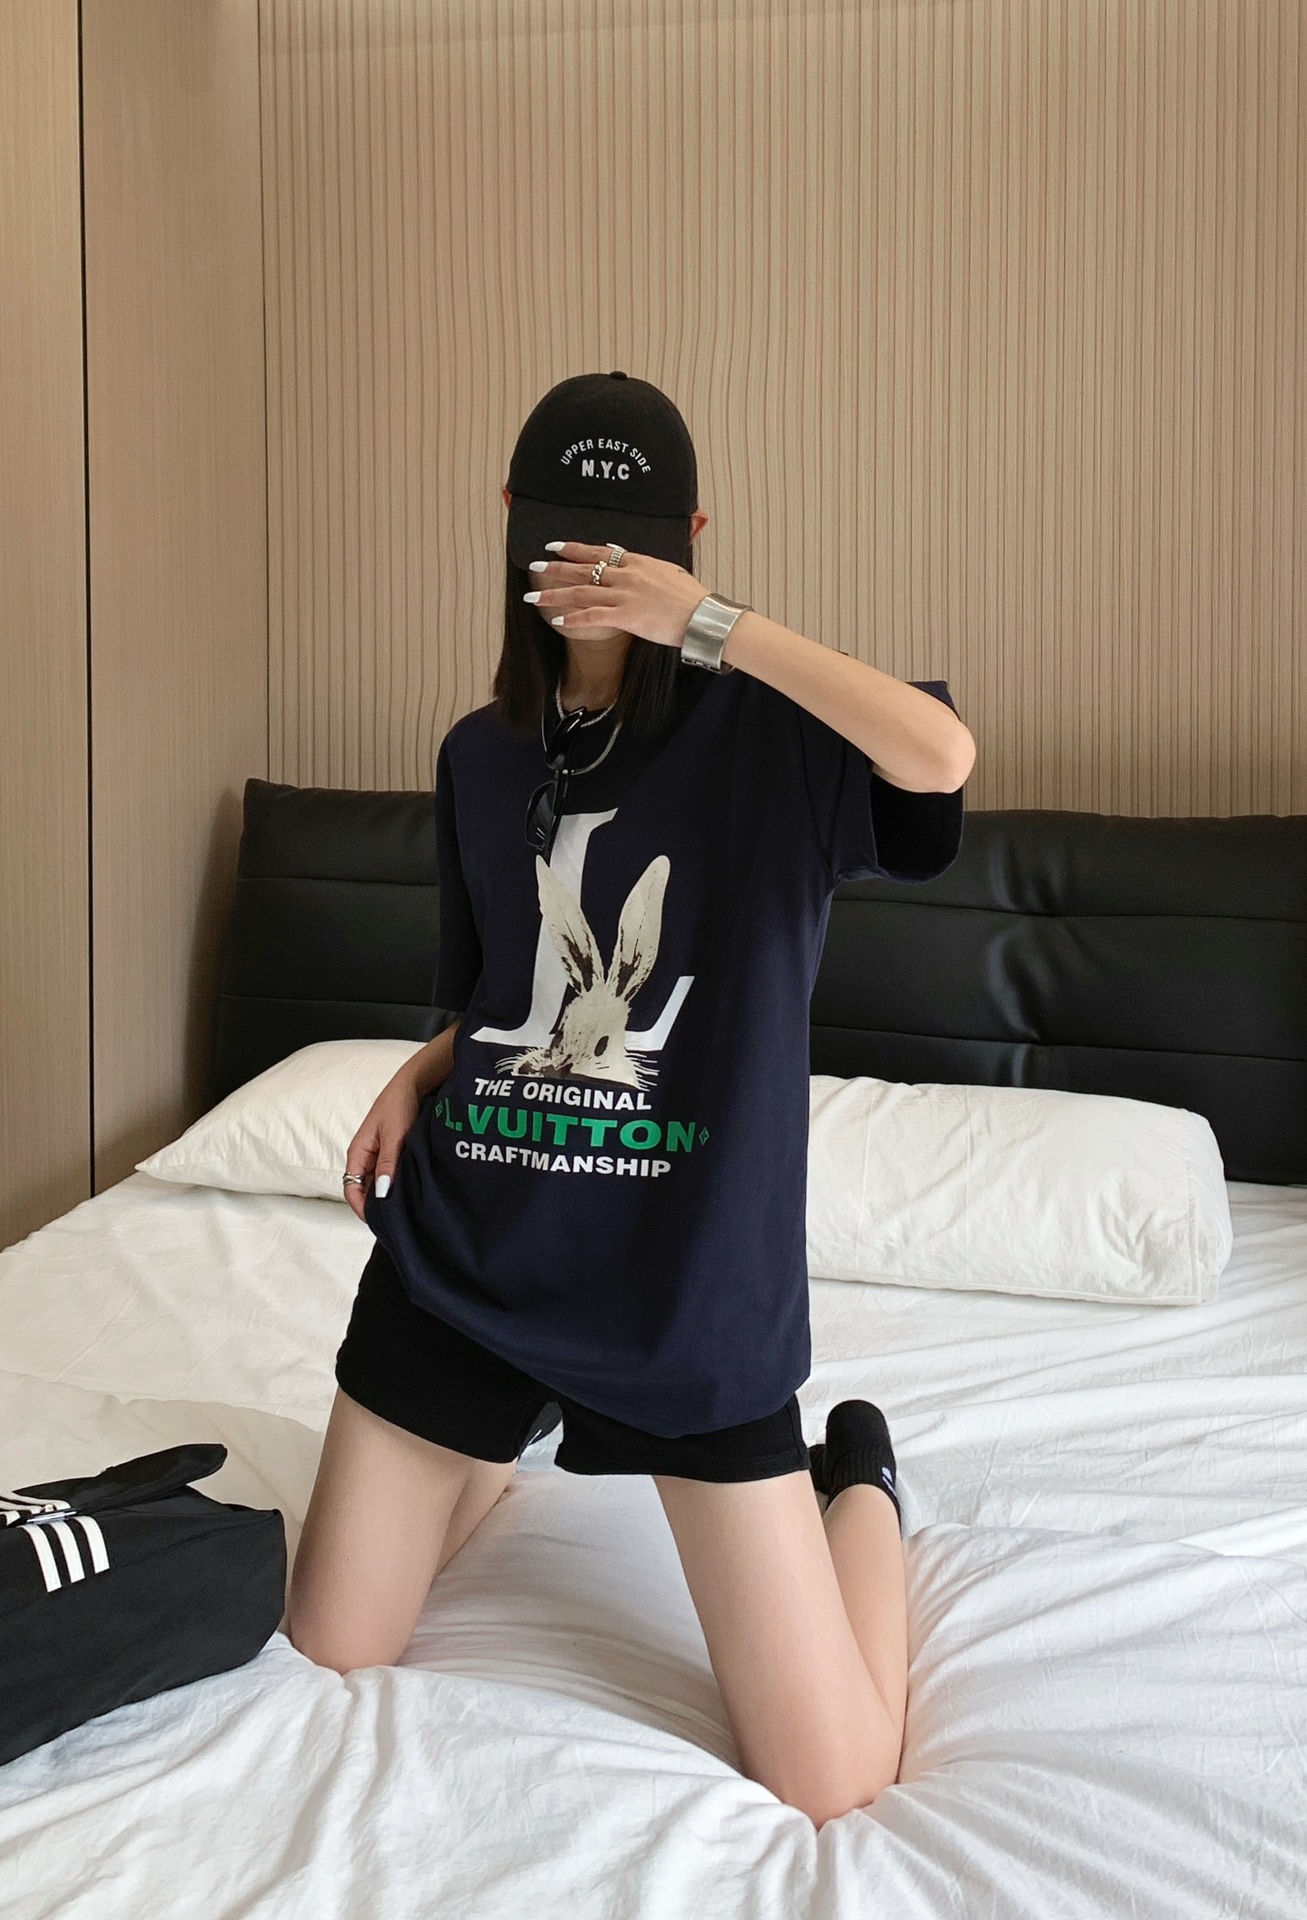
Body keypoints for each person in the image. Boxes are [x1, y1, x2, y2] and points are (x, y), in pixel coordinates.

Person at [285, 371, 975, 1827]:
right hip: (473, 1260)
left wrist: (707, 624)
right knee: (331, 1649)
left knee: (836, 1779)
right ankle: (505, 1433)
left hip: (683, 1297)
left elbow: (941, 760)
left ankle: (858, 1477)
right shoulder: (481, 755)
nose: (594, 572)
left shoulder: (773, 740)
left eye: (630, 545)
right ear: (510, 528)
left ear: (688, 542)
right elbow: (496, 994)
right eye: (562, 535)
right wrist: (417, 1074)